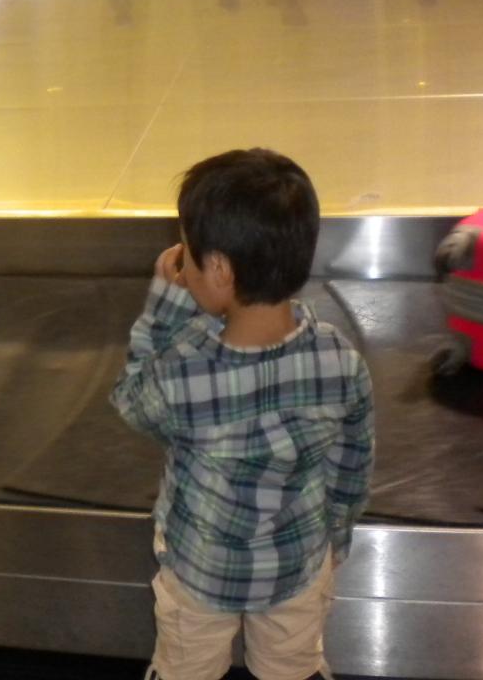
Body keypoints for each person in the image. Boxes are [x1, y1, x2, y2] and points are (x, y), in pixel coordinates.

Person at [112, 148, 374, 680]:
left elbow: (132, 398)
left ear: (219, 270)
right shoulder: (340, 359)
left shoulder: (184, 373)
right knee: (292, 667)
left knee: (187, 668)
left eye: (189, 253)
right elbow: (352, 466)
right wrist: (337, 536)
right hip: (297, 565)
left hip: (201, 570)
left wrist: (166, 305)